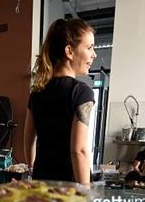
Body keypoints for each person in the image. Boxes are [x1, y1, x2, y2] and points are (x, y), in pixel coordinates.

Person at [24, 18, 97, 185]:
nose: (94, 54)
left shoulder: (36, 93)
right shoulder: (81, 92)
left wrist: (32, 168)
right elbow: (78, 150)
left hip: (42, 182)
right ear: (69, 51)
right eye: (89, 47)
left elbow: (28, 140)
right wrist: (85, 192)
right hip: (69, 186)